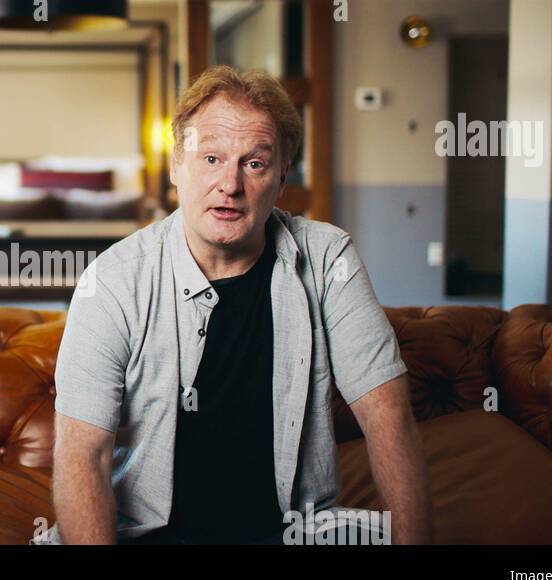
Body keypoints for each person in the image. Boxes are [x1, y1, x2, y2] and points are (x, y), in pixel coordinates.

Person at [40, 66, 432, 545]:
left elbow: (385, 416)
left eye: (254, 163)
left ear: (282, 177)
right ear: (175, 167)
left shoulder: (329, 260)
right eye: (210, 158)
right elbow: (84, 455)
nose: (230, 184)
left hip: (289, 533)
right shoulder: (114, 281)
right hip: (147, 536)